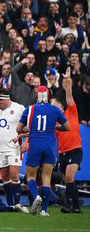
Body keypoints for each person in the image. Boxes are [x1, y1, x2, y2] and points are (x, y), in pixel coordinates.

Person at [17, 86, 70, 216]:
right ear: (48, 96)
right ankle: (44, 210)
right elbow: (67, 127)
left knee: (30, 176)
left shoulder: (29, 109)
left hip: (35, 143)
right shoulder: (54, 109)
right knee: (47, 177)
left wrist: (31, 130)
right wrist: (54, 127)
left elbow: (19, 128)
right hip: (50, 145)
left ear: (36, 96)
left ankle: (36, 196)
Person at [0, 88, 26, 207]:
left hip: (14, 147)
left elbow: (29, 126)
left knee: (14, 174)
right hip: (0, 148)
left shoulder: (19, 108)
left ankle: (17, 204)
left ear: (8, 99)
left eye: (1, 100)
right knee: (5, 177)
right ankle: (10, 205)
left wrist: (26, 140)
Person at [51, 67, 83, 213]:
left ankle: (72, 206)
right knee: (68, 180)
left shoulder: (70, 110)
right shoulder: (54, 123)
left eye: (55, 104)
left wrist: (68, 79)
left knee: (69, 177)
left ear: (61, 106)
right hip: (62, 153)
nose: (53, 106)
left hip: (75, 150)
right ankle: (73, 206)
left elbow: (69, 95)